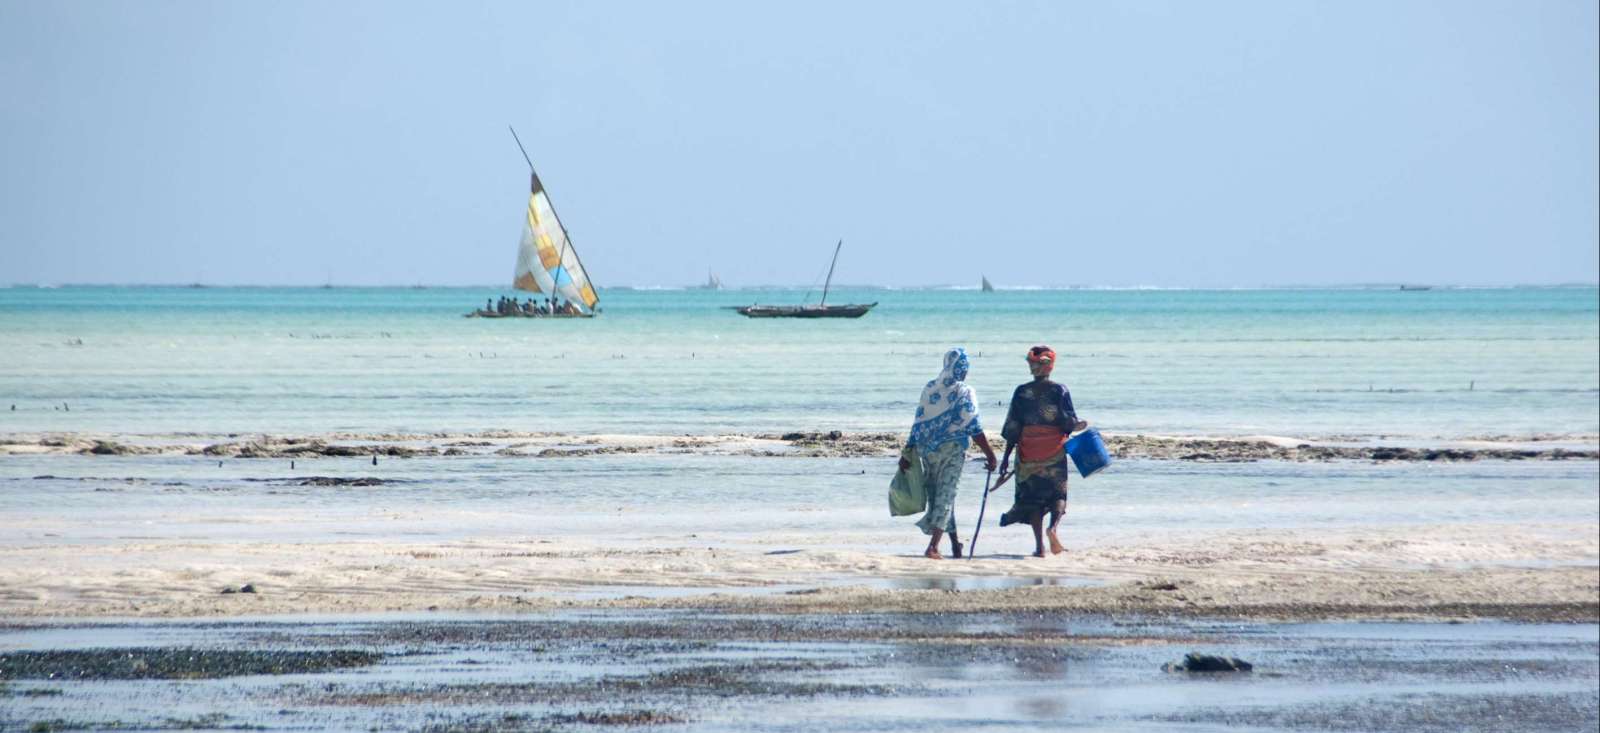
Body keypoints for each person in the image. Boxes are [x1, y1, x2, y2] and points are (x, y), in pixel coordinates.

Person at [900, 347, 998, 559]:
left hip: (928, 450)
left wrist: (908, 450)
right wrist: (990, 453)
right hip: (952, 450)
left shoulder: (930, 388)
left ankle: (955, 545)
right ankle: (933, 547)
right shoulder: (964, 391)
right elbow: (974, 426)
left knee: (942, 495)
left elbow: (918, 422)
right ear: (963, 368)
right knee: (946, 495)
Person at [996, 345, 1087, 557]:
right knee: (1058, 493)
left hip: (1029, 451)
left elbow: (1013, 428)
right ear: (1050, 367)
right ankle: (1053, 528)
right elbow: (1067, 422)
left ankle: (1039, 547)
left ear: (1032, 366)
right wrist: (1078, 424)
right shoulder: (1059, 390)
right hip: (1053, 450)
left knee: (1032, 499)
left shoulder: (1021, 392)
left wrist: (1006, 458)